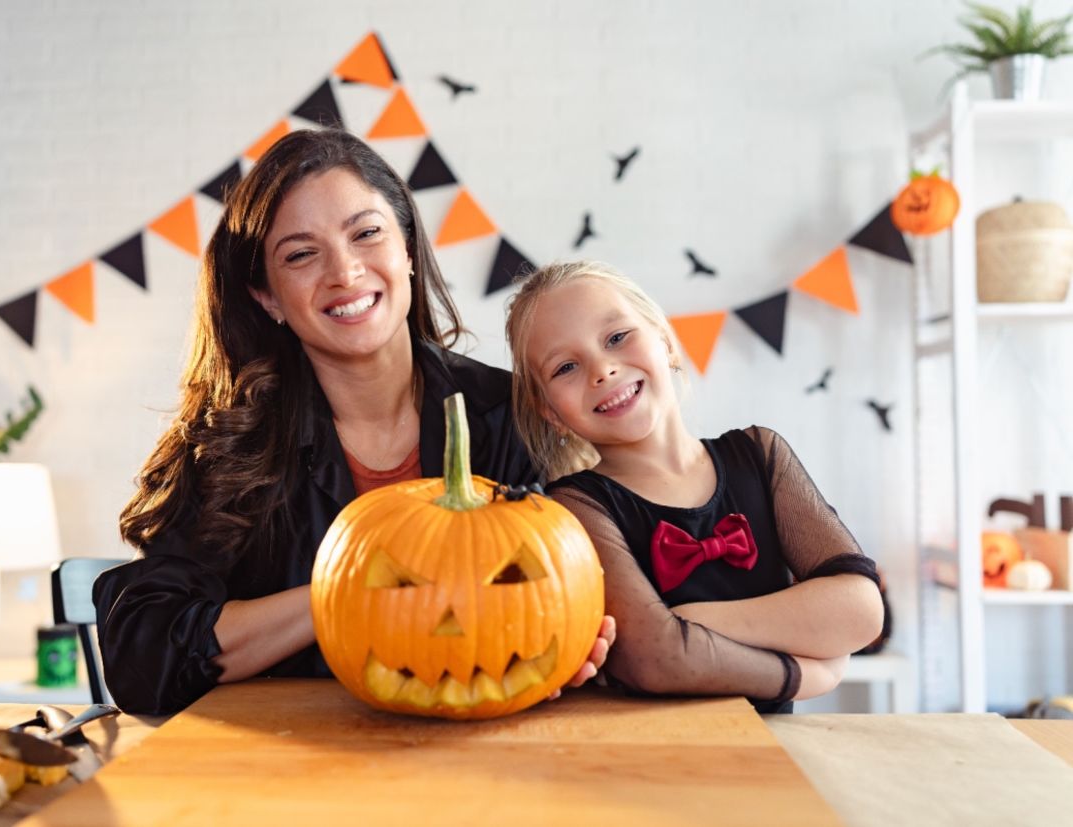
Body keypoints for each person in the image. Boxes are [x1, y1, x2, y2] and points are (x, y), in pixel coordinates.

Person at [96, 130, 612, 715]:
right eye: (301, 254)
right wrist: (350, 592)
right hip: (293, 772)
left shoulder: (512, 415)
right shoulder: (225, 446)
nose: (344, 272)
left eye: (366, 233)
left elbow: (569, 592)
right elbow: (143, 654)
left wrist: (577, 642)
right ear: (267, 297)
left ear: (409, 249)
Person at [504, 260, 885, 712]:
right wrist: (802, 675)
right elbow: (658, 658)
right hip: (652, 758)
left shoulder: (761, 455)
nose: (602, 370)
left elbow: (862, 610)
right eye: (566, 366)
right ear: (548, 410)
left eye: (617, 338)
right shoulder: (575, 507)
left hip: (772, 756)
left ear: (665, 342)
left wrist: (691, 621)